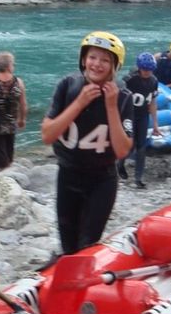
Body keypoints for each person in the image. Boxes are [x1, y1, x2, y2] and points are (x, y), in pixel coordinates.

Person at [41, 31, 133, 254]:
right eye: (92, 57)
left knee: (87, 245)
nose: (97, 64)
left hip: (101, 179)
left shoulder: (123, 96)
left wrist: (111, 106)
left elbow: (122, 150)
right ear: (83, 59)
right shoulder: (68, 85)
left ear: (114, 66)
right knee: (68, 246)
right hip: (68, 175)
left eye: (105, 60)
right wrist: (79, 103)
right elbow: (47, 135)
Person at [117, 52, 162, 188]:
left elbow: (152, 102)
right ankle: (119, 164)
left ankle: (138, 178)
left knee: (141, 147)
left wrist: (155, 124)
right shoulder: (129, 80)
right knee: (129, 145)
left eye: (150, 70)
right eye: (145, 69)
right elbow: (119, 100)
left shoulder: (154, 81)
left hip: (142, 115)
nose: (148, 72)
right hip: (128, 115)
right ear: (139, 67)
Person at [0, 50, 27, 170]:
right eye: (13, 64)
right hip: (11, 124)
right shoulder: (18, 82)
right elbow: (23, 104)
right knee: (9, 149)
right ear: (9, 66)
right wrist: (22, 119)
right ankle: (8, 170)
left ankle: (3, 172)